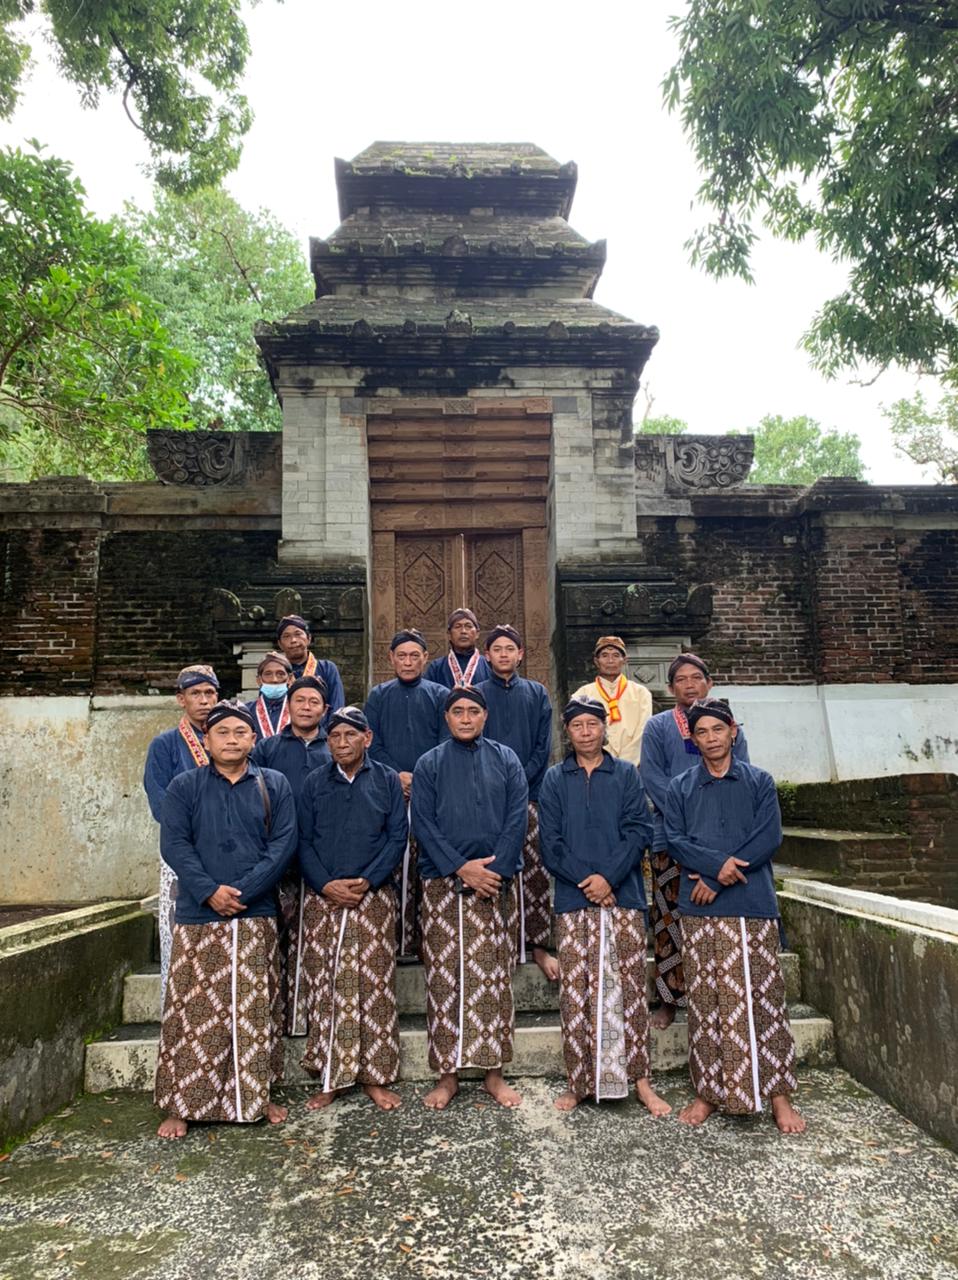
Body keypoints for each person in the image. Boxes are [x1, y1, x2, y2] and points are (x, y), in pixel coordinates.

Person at [153, 699, 297, 1139]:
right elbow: (174, 844)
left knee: (254, 1008)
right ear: (207, 739)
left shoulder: (272, 783)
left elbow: (284, 843)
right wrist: (209, 891)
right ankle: (181, 1103)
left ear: (254, 739)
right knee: (193, 1012)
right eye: (223, 732)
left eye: (240, 732)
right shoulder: (185, 785)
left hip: (255, 913)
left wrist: (246, 891)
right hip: (199, 914)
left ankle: (257, 1094)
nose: (232, 739)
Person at [665, 698, 804, 1134]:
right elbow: (675, 839)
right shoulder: (681, 787)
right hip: (699, 908)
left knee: (762, 1000)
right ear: (693, 739)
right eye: (701, 732)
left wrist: (721, 875)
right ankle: (709, 1091)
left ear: (733, 732)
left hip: (749, 903)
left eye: (717, 730)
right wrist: (714, 866)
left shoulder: (759, 781)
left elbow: (768, 836)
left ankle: (778, 1096)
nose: (710, 739)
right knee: (707, 1003)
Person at [538, 697, 670, 1116]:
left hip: (623, 896)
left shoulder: (627, 775)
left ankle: (642, 1082)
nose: (586, 732)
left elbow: (639, 830)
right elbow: (550, 842)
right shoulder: (556, 779)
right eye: (577, 726)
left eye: (593, 725)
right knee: (577, 994)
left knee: (630, 990)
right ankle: (579, 1083)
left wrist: (609, 879)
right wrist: (589, 882)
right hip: (574, 899)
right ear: (569, 732)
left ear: (604, 729)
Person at [411, 686, 528, 1111]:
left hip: (495, 885)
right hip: (444, 883)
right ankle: (448, 1075)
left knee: (495, 978)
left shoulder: (506, 759)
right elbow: (422, 821)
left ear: (485, 716)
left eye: (473, 711)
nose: (465, 718)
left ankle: (494, 1074)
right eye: (457, 711)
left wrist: (492, 871)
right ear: (447, 718)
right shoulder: (430, 763)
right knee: (445, 979)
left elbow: (517, 816)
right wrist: (461, 867)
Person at [297, 705, 408, 1112]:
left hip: (371, 896)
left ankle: (375, 1077)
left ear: (368, 738)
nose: (342, 743)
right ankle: (331, 1077)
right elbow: (303, 840)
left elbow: (397, 836)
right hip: (324, 897)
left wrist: (368, 880)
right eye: (335, 737)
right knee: (327, 986)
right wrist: (325, 883)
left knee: (374, 986)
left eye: (350, 735)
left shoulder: (385, 781)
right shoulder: (313, 783)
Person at [639, 652, 750, 1029]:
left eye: (696, 678)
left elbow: (743, 778)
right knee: (667, 919)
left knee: (717, 919)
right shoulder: (658, 727)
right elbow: (652, 777)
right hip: (669, 837)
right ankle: (669, 999)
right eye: (681, 680)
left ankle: (716, 996)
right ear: (671, 689)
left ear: (709, 682)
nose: (689, 685)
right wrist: (687, 819)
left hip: (721, 841)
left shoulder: (729, 727)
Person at [476, 624, 557, 982]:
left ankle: (538, 944)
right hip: (488, 799)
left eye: (511, 648)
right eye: (497, 649)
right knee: (496, 866)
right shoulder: (475, 695)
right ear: (487, 655)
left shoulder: (537, 693)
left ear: (520, 654)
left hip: (531, 794)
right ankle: (500, 941)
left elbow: (543, 745)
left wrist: (520, 781)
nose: (504, 654)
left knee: (535, 871)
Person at [251, 675, 331, 1036]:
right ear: (289, 706)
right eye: (300, 701)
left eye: (314, 702)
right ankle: (278, 1016)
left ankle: (312, 1016)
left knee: (314, 942)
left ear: (324, 709)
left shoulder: (337, 745)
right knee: (279, 938)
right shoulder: (268, 748)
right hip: (278, 859)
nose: (306, 707)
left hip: (322, 858)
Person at [365, 629, 449, 958]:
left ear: (425, 658)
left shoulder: (440, 694)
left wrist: (421, 776)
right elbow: (372, 740)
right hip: (390, 788)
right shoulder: (379, 695)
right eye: (402, 656)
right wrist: (395, 774)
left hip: (431, 789)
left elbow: (445, 739)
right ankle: (394, 938)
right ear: (391, 659)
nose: (408, 662)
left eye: (415, 656)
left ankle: (422, 938)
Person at [143, 664, 219, 1002]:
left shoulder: (228, 738)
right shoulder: (165, 745)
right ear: (181, 699)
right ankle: (177, 1006)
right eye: (195, 694)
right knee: (179, 927)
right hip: (181, 850)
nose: (204, 701)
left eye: (210, 693)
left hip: (225, 850)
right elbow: (160, 802)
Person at [572, 635, 652, 766]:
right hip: (595, 765)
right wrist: (603, 762)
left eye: (616, 655)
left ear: (624, 660)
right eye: (604, 655)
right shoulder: (582, 694)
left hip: (634, 766)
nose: (610, 660)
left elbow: (643, 732)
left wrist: (626, 765)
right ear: (596, 661)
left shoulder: (640, 693)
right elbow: (580, 732)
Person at [274, 614, 345, 722]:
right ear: (280, 644)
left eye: (298, 634)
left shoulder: (327, 668)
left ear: (309, 638)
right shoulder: (276, 672)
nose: (293, 640)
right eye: (286, 636)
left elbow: (336, 706)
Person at [423, 608, 491, 689]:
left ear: (477, 633)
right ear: (449, 634)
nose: (463, 631)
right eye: (458, 626)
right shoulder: (436, 668)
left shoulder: (489, 666)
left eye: (468, 626)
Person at [246, 651, 293, 740]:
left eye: (280, 674)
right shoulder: (246, 711)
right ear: (259, 680)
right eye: (268, 674)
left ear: (289, 679)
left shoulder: (299, 709)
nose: (274, 680)